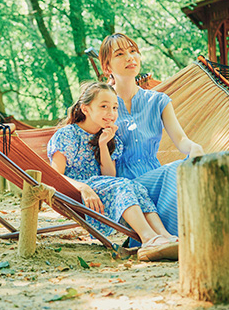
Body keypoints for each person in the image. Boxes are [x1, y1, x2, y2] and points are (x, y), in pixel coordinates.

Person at [47, 82, 179, 261]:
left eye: (115, 107)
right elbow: (54, 176)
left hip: (101, 188)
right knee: (124, 185)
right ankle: (148, 239)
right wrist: (84, 188)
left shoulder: (109, 136)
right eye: (104, 107)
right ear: (85, 109)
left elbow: (109, 177)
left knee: (136, 187)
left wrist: (103, 145)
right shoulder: (67, 135)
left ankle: (164, 236)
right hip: (77, 191)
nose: (111, 113)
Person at [99, 33, 203, 237]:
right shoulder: (101, 104)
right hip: (124, 189)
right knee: (175, 171)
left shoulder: (158, 101)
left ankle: (182, 235)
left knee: (188, 170)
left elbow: (181, 140)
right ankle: (180, 237)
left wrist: (194, 148)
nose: (130, 57)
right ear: (107, 67)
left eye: (133, 51)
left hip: (156, 179)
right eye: (120, 54)